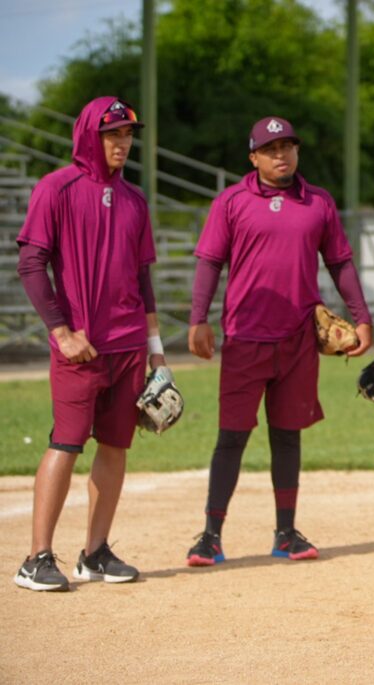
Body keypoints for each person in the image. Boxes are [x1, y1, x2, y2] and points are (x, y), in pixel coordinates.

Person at [185, 116, 372, 566]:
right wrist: (198, 319)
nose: (280, 155)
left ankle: (286, 532)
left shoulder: (319, 203)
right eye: (270, 148)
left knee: (287, 436)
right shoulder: (231, 202)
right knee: (232, 436)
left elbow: (341, 263)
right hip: (246, 337)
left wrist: (363, 319)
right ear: (253, 157)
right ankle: (211, 535)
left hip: (298, 341)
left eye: (287, 146)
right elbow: (210, 262)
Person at [14, 97, 160, 591]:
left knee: (116, 445)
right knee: (66, 441)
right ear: (88, 135)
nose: (122, 143)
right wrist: (61, 331)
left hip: (129, 344)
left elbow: (144, 278)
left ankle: (95, 553)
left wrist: (156, 347)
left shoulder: (135, 200)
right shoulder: (57, 188)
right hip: (80, 346)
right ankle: (36, 558)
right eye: (112, 133)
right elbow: (31, 265)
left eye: (128, 134)